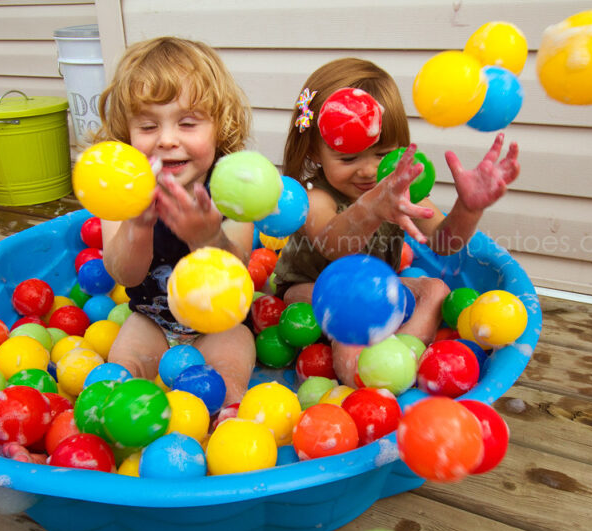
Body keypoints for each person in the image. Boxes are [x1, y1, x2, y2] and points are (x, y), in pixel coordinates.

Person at [273, 58, 520, 387]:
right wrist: (373, 208)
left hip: (377, 290)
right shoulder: (315, 197)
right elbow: (335, 247)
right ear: (316, 153)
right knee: (351, 312)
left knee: (435, 289)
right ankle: (365, 380)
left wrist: (469, 208)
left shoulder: (400, 189)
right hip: (311, 289)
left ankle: (404, 353)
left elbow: (445, 245)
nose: (368, 171)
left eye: (382, 154)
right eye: (348, 158)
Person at [95, 37, 256, 406]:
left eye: (187, 123)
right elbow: (125, 275)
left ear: (219, 126)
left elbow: (237, 272)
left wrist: (208, 236)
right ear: (127, 134)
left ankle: (225, 426)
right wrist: (137, 226)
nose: (167, 140)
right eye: (148, 127)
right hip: (152, 320)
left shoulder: (231, 190)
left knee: (226, 382)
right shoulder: (121, 192)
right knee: (120, 378)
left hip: (220, 324)